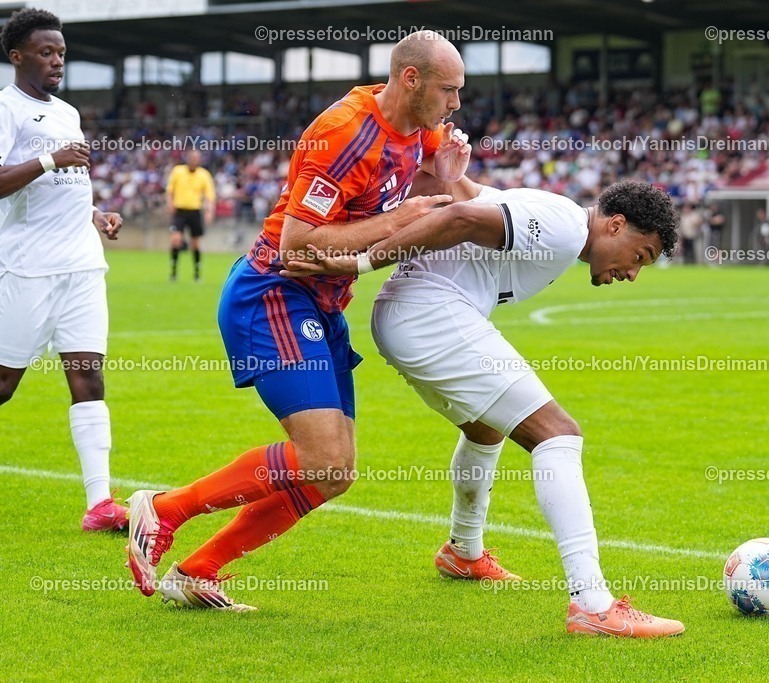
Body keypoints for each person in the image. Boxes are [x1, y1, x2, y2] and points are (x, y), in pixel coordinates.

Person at [124, 30, 472, 610]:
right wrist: (400, 220)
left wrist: (441, 172)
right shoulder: (340, 134)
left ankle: (198, 571)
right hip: (276, 290)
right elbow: (296, 246)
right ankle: (163, 509)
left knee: (333, 473)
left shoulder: (420, 129)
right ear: (411, 80)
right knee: (320, 458)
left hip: (324, 300)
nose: (456, 104)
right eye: (449, 90)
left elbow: (399, 193)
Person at [283, 177, 686, 638]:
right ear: (615, 226)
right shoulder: (566, 228)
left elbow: (470, 201)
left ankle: (463, 551)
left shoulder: (561, 216)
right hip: (429, 317)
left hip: (412, 317)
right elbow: (460, 218)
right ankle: (592, 605)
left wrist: (455, 178)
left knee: (486, 429)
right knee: (558, 433)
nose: (632, 274)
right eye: (640, 257)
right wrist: (357, 262)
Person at [0, 8, 126, 532]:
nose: (57, 62)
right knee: (5, 383)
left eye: (62, 54)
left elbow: (66, 184)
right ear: (17, 56)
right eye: (46, 52)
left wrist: (95, 215)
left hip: (81, 266)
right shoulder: (5, 107)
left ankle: (100, 504)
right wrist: (51, 160)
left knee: (88, 375)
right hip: (27, 268)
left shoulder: (68, 112)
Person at [166, 149, 215, 282]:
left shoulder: (204, 175)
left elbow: (209, 195)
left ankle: (197, 273)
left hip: (195, 211)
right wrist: (170, 204)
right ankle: (173, 272)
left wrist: (209, 211)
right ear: (188, 158)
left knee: (195, 243)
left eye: (196, 158)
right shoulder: (178, 171)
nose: (194, 160)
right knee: (176, 240)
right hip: (180, 211)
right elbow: (170, 190)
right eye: (192, 157)